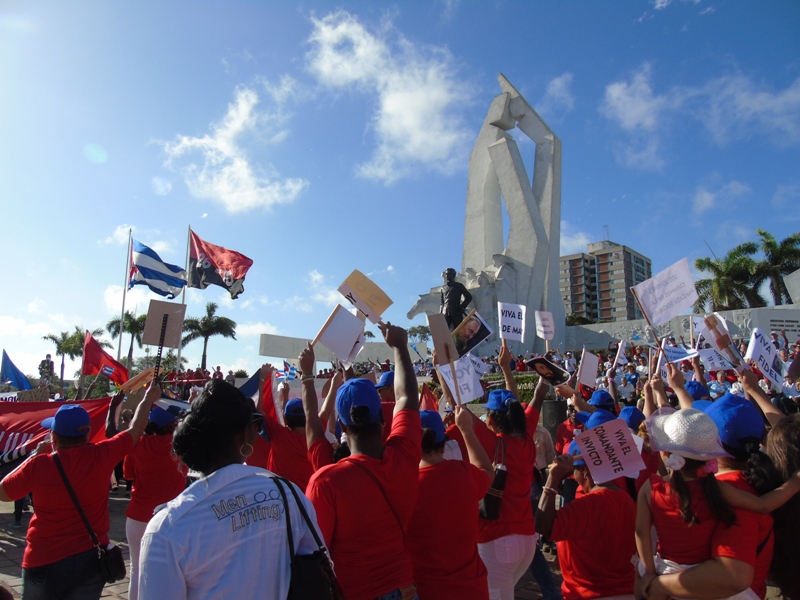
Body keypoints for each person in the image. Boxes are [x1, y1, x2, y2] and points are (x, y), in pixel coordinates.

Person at [138, 379, 323, 599]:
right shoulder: (291, 497)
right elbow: (321, 567)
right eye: (255, 424)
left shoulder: (167, 528)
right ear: (243, 435)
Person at [0, 384, 160, 600]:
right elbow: (135, 430)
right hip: (90, 558)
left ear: (54, 437)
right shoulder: (102, 455)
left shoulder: (38, 465)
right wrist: (148, 398)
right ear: (86, 435)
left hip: (44, 557)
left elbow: (4, 492)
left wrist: (35, 456)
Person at [306, 322, 422, 600]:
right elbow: (408, 398)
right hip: (405, 588)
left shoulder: (326, 481)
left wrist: (307, 376)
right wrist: (400, 347)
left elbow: (313, 428)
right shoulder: (405, 455)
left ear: (343, 427)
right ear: (383, 418)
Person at [471, 340, 547, 600]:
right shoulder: (526, 436)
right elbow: (532, 398)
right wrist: (506, 369)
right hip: (526, 538)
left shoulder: (494, 443)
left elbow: (459, 408)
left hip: (499, 540)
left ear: (491, 418)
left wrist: (442, 371)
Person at [406, 404, 494, 599]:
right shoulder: (465, 473)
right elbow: (487, 472)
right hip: (473, 590)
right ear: (443, 441)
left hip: (427, 591)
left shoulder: (405, 486)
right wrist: (466, 430)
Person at [536, 439, 637, 600]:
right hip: (625, 591)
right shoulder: (626, 500)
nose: (573, 478)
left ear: (584, 471)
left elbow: (542, 525)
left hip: (587, 593)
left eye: (573, 472)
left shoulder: (586, 506)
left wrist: (553, 478)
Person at [115, 398, 188, 600]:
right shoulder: (180, 446)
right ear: (172, 424)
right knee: (173, 573)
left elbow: (127, 475)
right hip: (172, 518)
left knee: (137, 570)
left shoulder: (138, 444)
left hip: (139, 515)